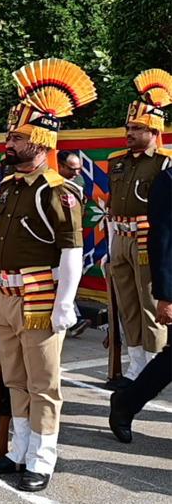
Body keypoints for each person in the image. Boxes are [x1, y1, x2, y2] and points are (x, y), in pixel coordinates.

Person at [0, 59, 94, 492]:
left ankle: (42, 458)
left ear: (41, 140)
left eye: (18, 137)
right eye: (11, 136)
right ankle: (19, 449)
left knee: (43, 383)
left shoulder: (58, 192)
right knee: (15, 379)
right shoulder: (11, 185)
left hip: (39, 297)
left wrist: (65, 302)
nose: (10, 142)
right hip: (5, 296)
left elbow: (72, 250)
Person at [105, 68, 172, 389]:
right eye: (128, 126)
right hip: (119, 237)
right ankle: (135, 367)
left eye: (136, 127)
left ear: (154, 130)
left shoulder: (164, 163)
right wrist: (110, 244)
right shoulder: (116, 160)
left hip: (148, 239)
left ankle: (153, 373)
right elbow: (110, 205)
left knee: (150, 306)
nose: (129, 132)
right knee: (126, 304)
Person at [110, 163, 172, 442]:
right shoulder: (169, 179)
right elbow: (163, 240)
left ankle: (126, 402)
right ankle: (126, 403)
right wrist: (166, 295)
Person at [57, 149, 91, 338]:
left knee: (67, 278)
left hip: (70, 235)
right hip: (50, 239)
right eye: (72, 169)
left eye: (79, 169)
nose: (77, 173)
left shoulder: (77, 181)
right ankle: (73, 319)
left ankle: (73, 318)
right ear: (60, 166)